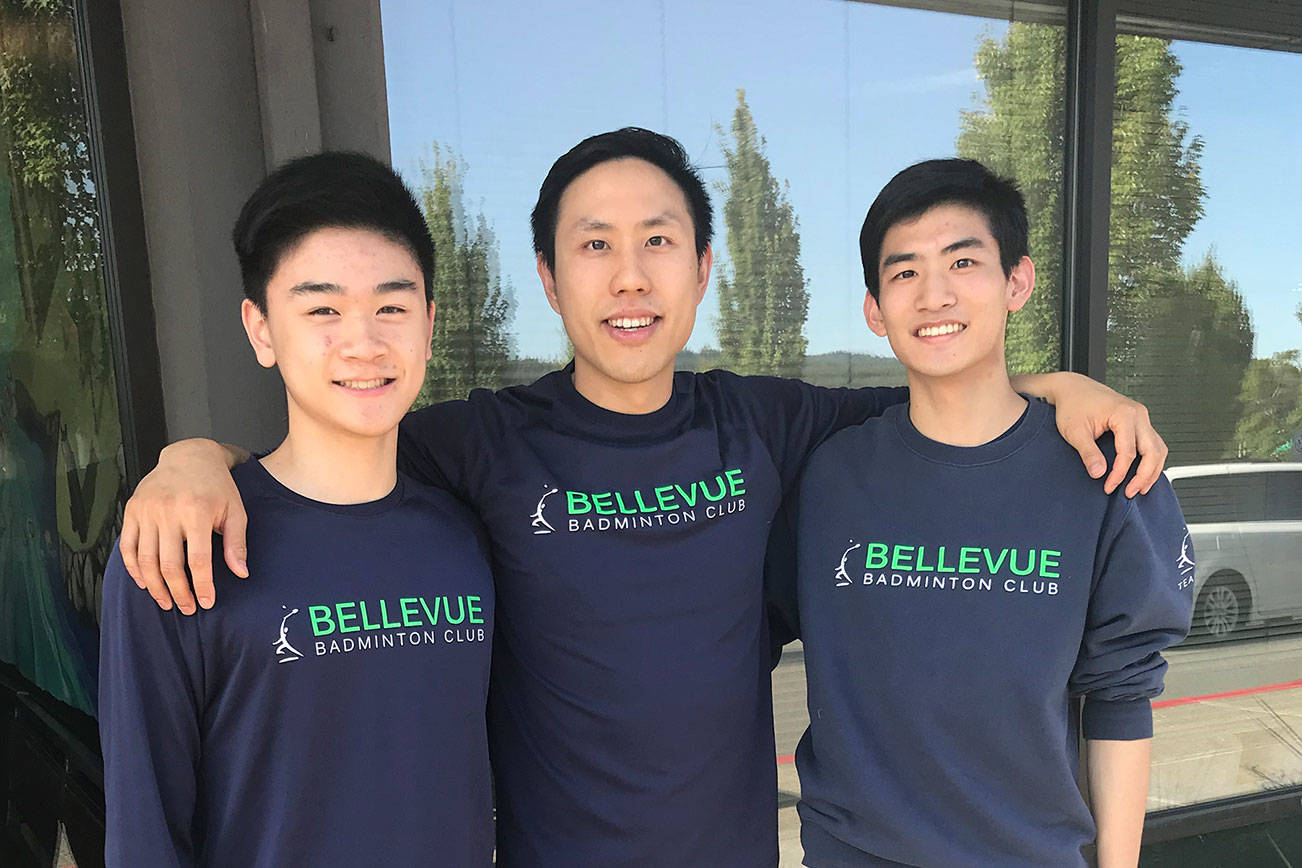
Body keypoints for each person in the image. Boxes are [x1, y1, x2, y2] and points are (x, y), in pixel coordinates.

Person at [116, 129, 1167, 867]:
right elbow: (334, 446)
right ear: (547, 274)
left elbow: (944, 379)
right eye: (595, 246)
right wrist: (193, 457)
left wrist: (1065, 387)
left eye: (658, 242)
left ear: (703, 268)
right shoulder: (482, 445)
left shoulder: (765, 424)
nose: (630, 277)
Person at [781, 158, 1193, 867]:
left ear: (1017, 282)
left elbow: (1121, 697)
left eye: (963, 261)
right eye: (904, 272)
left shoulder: (1107, 469)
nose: (934, 293)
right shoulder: (827, 475)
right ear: (875, 311)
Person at [98, 152, 494, 867]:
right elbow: (143, 834)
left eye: (392, 307)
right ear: (261, 329)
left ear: (430, 324)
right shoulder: (182, 549)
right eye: (322, 309)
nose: (364, 342)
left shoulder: (470, 537)